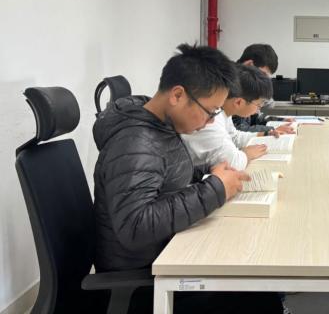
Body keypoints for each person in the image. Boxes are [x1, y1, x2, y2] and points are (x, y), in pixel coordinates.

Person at [93, 44, 283, 313]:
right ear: (178, 95)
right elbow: (135, 226)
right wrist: (215, 189)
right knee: (261, 297)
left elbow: (167, 176)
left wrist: (212, 174)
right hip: (146, 283)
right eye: (210, 111)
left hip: (167, 252)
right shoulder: (135, 142)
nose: (211, 122)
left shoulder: (159, 125)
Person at [183, 64, 277, 171]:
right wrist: (246, 154)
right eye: (259, 105)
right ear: (238, 102)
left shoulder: (224, 112)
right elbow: (233, 164)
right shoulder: (210, 119)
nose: (258, 110)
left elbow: (234, 137)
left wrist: (263, 134)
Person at [233, 43, 294, 135]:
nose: (263, 80)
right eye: (263, 74)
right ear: (249, 64)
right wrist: (271, 129)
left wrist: (279, 120)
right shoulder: (231, 85)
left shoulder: (246, 82)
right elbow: (238, 130)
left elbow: (254, 118)